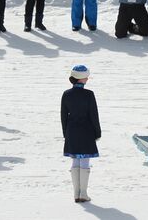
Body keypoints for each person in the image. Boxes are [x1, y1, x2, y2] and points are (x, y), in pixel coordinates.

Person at [61, 64, 102, 204]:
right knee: (84, 161)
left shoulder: (66, 94)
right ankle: (83, 193)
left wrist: (66, 133)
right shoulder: (89, 94)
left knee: (75, 160)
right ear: (82, 78)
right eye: (86, 76)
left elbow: (63, 116)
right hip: (86, 131)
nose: (87, 79)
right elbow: (94, 115)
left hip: (71, 130)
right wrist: (97, 132)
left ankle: (76, 193)